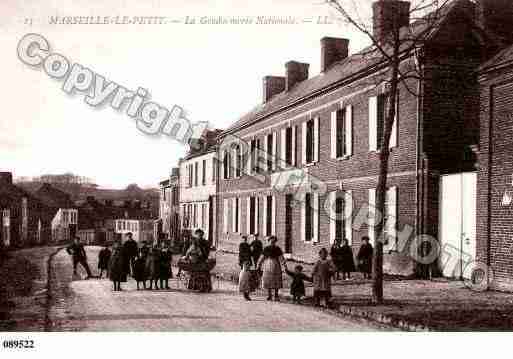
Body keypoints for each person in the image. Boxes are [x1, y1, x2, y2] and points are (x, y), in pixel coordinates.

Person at [257, 236, 285, 301]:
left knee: (276, 279)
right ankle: (269, 295)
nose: (272, 243)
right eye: (271, 242)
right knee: (268, 279)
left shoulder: (277, 249)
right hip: (268, 264)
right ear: (268, 241)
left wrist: (284, 266)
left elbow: (281, 258)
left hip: (276, 264)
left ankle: (276, 295)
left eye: (274, 242)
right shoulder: (266, 248)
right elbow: (262, 257)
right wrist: (259, 265)